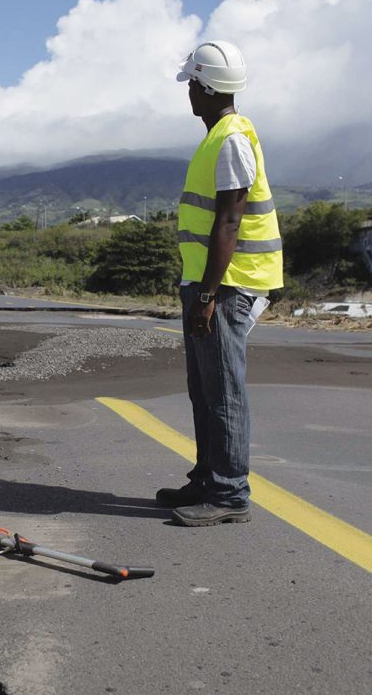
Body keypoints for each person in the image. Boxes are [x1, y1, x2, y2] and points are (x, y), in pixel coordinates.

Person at [156, 41, 283, 526]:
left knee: (224, 389)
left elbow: (229, 223)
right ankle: (207, 477)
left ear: (207, 89)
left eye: (192, 83)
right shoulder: (218, 136)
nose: (188, 90)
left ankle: (230, 493)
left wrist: (208, 294)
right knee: (203, 387)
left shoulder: (230, 140)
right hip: (208, 283)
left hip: (228, 286)